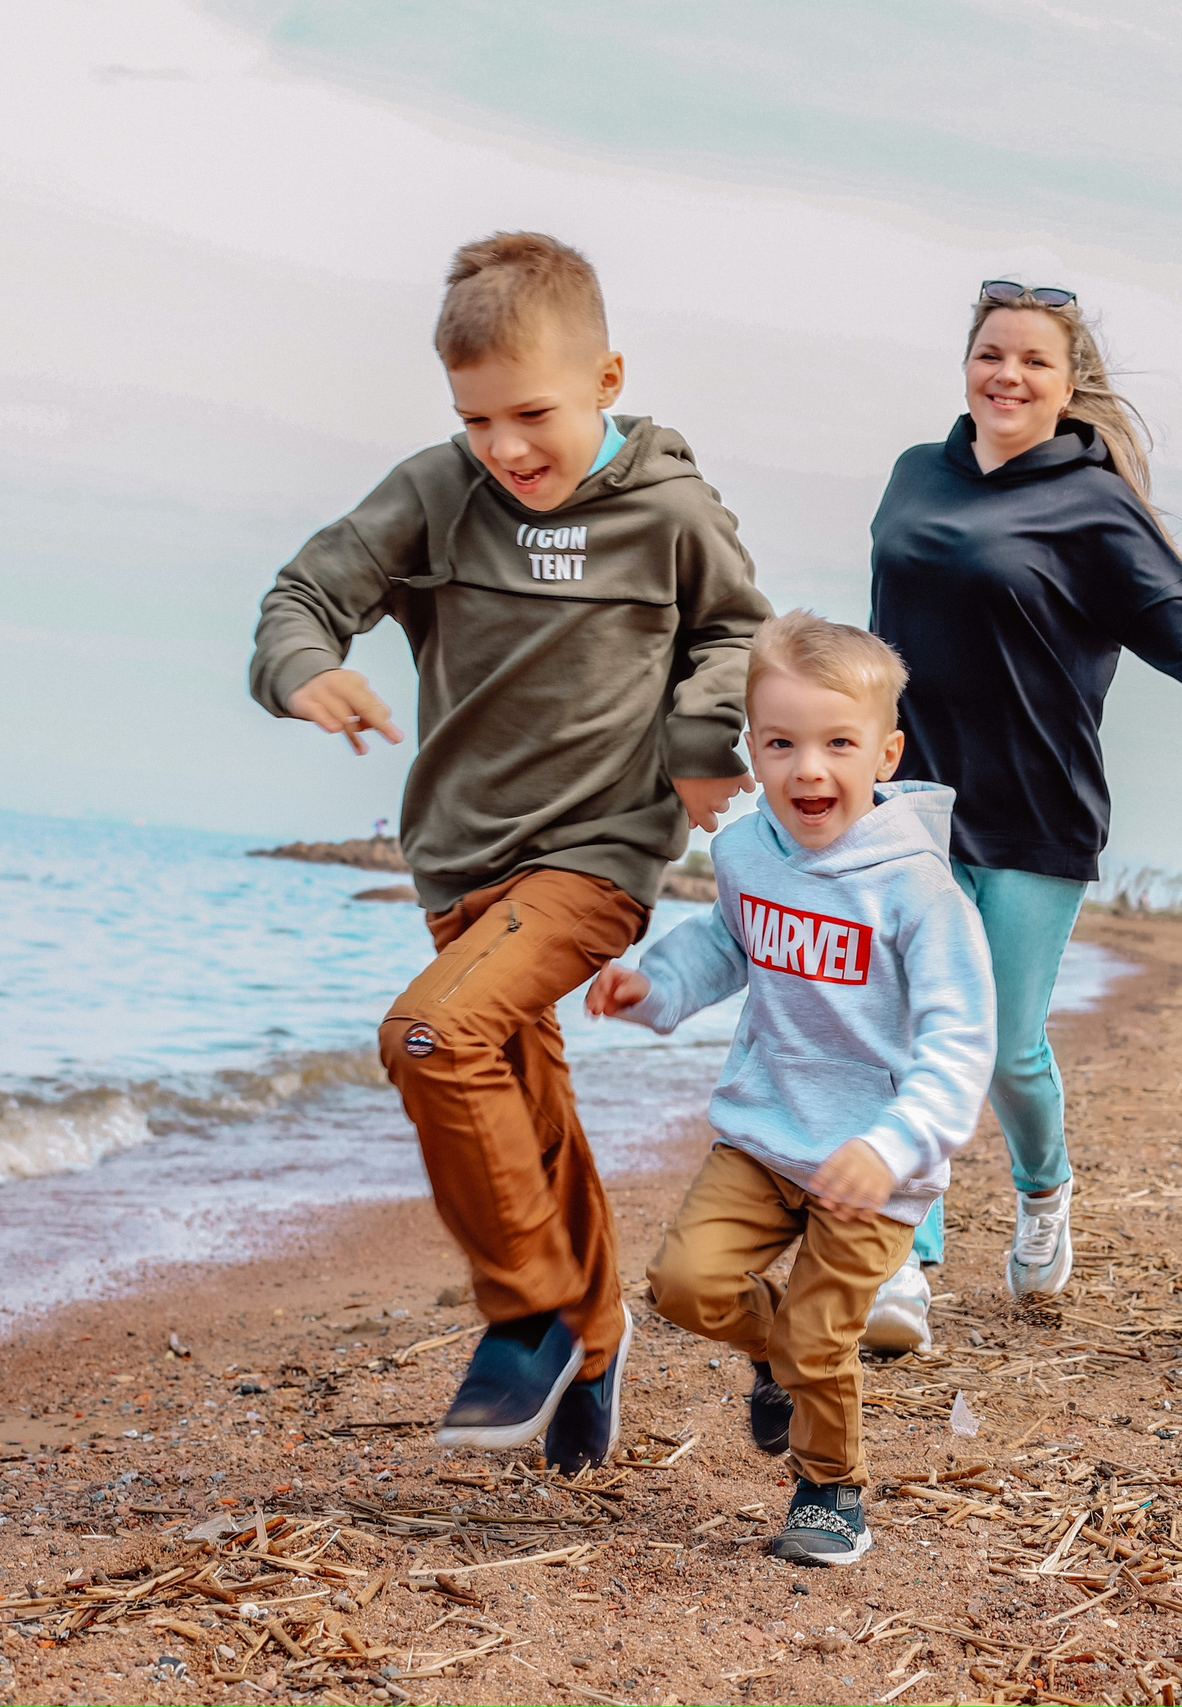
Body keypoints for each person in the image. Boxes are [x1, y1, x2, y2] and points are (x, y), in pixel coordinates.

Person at [247, 232, 769, 1471]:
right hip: (459, 863)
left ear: (607, 380)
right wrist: (305, 669)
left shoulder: (671, 512)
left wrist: (702, 743)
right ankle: (595, 1342)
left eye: (532, 413)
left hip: (597, 855)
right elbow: (302, 596)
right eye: (475, 419)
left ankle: (531, 1315)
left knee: (432, 1037)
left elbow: (735, 636)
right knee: (530, 1115)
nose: (506, 447)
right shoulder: (437, 493)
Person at [866, 280, 1182, 1306]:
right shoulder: (914, 474)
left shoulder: (1095, 505)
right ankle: (900, 1257)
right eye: (991, 354)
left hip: (1036, 807)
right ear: (965, 366)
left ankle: (1043, 1193)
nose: (1007, 375)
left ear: (1068, 388)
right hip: (909, 801)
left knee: (1005, 1048)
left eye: (1033, 361)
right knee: (909, 1028)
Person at [588, 612, 995, 1566]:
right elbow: (724, 942)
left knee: (821, 1337)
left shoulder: (920, 891)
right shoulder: (747, 852)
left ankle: (831, 1488)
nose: (808, 769)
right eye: (781, 744)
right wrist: (656, 987)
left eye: (838, 744)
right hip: (765, 1134)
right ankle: (778, 1358)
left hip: (871, 1165)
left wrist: (894, 1143)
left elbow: (960, 1044)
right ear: (754, 748)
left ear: (886, 754)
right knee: (685, 1283)